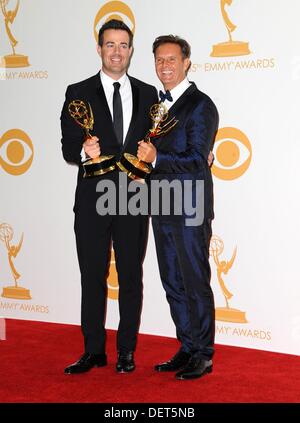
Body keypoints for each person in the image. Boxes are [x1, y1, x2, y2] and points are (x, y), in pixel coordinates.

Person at [60, 19, 157, 374]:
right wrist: (84, 150)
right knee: (92, 275)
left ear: (131, 51)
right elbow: (67, 147)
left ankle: (126, 351)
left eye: (123, 45)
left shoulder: (149, 94)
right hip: (92, 200)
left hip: (133, 198)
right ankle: (94, 350)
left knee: (131, 275)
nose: (117, 51)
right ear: (99, 49)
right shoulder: (78, 91)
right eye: (110, 44)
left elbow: (158, 141)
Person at [137, 35, 218, 380]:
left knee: (195, 281)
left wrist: (156, 158)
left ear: (186, 62)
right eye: (159, 60)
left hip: (190, 206)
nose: (164, 66)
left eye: (171, 59)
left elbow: (199, 160)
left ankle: (204, 353)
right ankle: (187, 346)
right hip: (162, 205)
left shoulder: (201, 105)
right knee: (173, 281)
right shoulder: (157, 106)